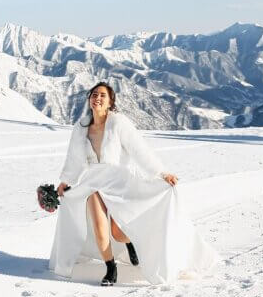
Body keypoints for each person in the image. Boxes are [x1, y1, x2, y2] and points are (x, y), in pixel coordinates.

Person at [49, 81, 219, 285]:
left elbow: (140, 150)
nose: (98, 98)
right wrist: (65, 181)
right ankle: (110, 268)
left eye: (103, 95)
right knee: (100, 228)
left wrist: (161, 173)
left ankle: (130, 244)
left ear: (111, 101)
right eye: (94, 94)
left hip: (119, 182)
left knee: (118, 233)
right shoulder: (81, 127)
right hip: (92, 182)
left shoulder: (118, 123)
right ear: (89, 99)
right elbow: (74, 158)